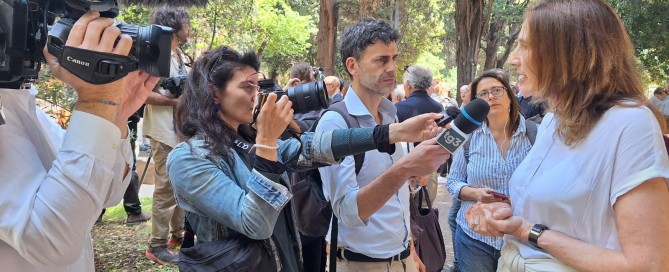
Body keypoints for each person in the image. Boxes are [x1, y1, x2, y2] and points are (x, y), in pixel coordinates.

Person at [167, 45, 447, 272]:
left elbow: (315, 148)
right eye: (247, 87)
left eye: (257, 86)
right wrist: (266, 141)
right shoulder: (189, 158)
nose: (258, 96)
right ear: (214, 92)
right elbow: (255, 224)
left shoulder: (248, 143)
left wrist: (394, 131)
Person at [467, 1, 669, 271]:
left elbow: (648, 265)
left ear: (567, 53)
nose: (514, 59)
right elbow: (560, 210)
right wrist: (505, 215)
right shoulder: (553, 121)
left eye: (525, 46)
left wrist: (532, 232)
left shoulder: (631, 123)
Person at [0, 12, 159, 271]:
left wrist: (115, 116)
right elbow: (50, 243)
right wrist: (97, 102)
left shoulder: (22, 102)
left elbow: (105, 195)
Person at [317, 18, 452, 272]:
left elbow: (395, 197)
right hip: (359, 263)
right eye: (381, 60)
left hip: (402, 259)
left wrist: (409, 250)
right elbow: (347, 212)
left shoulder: (392, 114)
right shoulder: (335, 123)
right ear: (352, 65)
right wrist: (403, 169)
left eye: (394, 58)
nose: (392, 68)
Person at [446, 69, 531, 272]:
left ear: (510, 95)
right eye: (483, 94)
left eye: (496, 90)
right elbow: (452, 182)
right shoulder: (468, 136)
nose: (491, 97)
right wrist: (476, 194)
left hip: (521, 239)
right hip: (474, 238)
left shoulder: (535, 135)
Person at [142, 6, 190, 265]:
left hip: (176, 131)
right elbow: (142, 93)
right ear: (175, 25)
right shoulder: (157, 54)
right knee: (165, 188)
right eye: (186, 22)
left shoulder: (177, 54)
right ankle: (156, 245)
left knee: (179, 184)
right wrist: (175, 103)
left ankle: (176, 237)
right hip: (162, 130)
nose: (189, 27)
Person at [396, 66, 444, 206]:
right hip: (430, 169)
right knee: (424, 212)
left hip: (405, 170)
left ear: (408, 84)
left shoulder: (399, 109)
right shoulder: (438, 108)